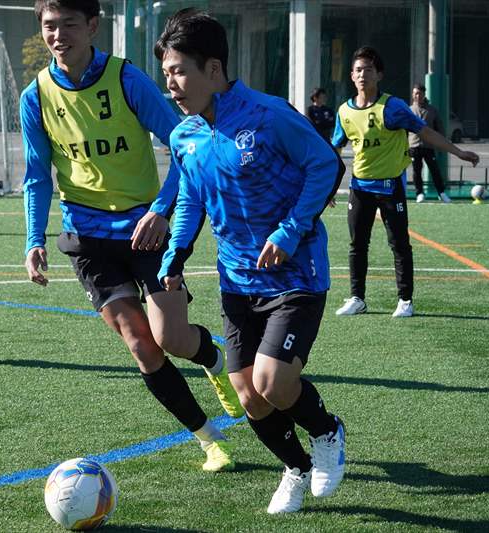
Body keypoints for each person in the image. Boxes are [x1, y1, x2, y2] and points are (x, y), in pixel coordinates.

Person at [21, 0, 244, 472]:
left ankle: (211, 357)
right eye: (49, 25)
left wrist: (162, 211)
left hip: (146, 230)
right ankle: (208, 439)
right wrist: (33, 239)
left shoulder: (126, 79)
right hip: (86, 237)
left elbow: (184, 144)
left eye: (69, 24)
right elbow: (38, 175)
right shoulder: (35, 96)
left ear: (93, 26)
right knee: (141, 343)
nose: (59, 34)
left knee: (172, 339)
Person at [155, 8, 346, 514]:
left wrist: (290, 229)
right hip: (237, 281)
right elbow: (191, 200)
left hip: (296, 275)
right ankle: (296, 468)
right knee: (249, 396)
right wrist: (175, 255)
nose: (170, 84)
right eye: (166, 73)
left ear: (213, 70)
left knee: (273, 381)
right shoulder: (184, 136)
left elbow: (325, 164)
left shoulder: (269, 114)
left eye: (178, 71)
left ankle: (327, 432)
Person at [332, 46, 479, 318]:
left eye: (368, 69)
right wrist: (327, 188)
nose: (363, 74)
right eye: (358, 70)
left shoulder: (393, 107)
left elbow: (425, 132)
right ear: (351, 76)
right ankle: (357, 298)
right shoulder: (344, 111)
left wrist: (458, 152)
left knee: (399, 244)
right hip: (360, 188)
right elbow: (334, 151)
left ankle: (405, 300)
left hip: (390, 188)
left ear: (379, 75)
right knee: (357, 245)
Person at [408, 84, 450, 203]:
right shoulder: (409, 110)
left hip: (429, 146)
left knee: (435, 170)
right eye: (415, 93)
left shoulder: (432, 110)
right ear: (413, 95)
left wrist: (442, 143)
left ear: (424, 94)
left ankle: (441, 193)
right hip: (413, 146)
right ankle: (419, 193)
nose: (418, 96)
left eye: (420, 93)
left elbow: (439, 129)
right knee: (416, 171)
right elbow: (404, 130)